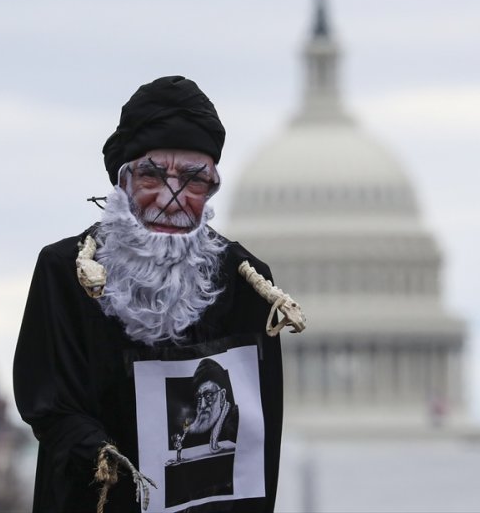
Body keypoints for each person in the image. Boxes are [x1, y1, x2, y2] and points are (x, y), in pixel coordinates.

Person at [14, 76, 285, 513]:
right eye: (152, 175)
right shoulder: (64, 272)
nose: (171, 198)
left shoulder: (246, 286)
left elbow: (259, 429)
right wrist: (102, 456)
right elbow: (47, 400)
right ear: (123, 180)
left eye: (194, 181)